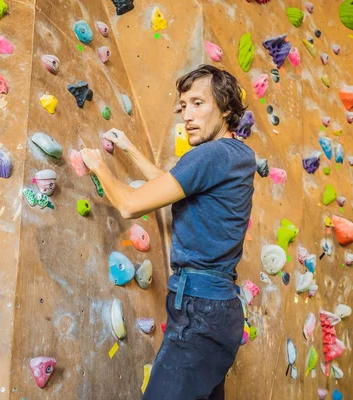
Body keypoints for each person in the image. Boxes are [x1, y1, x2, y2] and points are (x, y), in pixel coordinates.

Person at [80, 64, 256, 400]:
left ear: (227, 109)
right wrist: (130, 150)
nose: (187, 115)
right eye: (183, 106)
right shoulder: (236, 156)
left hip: (200, 309)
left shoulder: (210, 155)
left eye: (198, 103)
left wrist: (98, 165)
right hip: (220, 309)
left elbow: (131, 205)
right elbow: (174, 185)